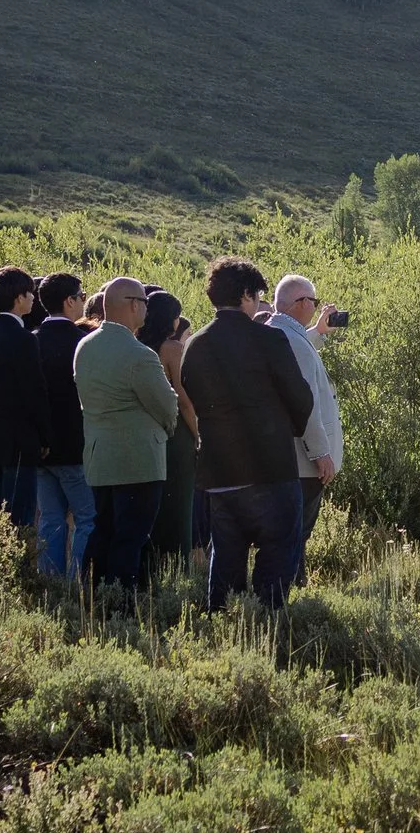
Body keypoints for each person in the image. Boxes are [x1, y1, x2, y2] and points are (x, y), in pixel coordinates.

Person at [180, 256, 315, 609]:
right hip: (271, 468)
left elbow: (193, 396)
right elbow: (300, 397)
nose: (258, 304)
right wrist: (288, 430)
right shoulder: (268, 340)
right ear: (245, 295)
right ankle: (268, 626)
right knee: (277, 554)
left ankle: (222, 623)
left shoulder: (195, 345)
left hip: (220, 473)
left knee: (225, 556)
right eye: (257, 295)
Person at [77, 276, 183, 591]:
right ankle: (121, 603)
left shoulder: (84, 345)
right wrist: (165, 428)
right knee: (131, 536)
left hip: (99, 457)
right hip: (137, 460)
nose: (147, 310)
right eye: (145, 303)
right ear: (133, 305)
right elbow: (167, 407)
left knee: (103, 530)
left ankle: (91, 596)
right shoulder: (139, 355)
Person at [268, 273, 344, 586]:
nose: (314, 305)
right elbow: (305, 404)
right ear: (301, 303)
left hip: (288, 456)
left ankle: (287, 589)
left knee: (290, 532)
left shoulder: (276, 332)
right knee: (296, 533)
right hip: (304, 460)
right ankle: (291, 592)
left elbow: (296, 348)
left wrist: (318, 332)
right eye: (312, 300)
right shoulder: (291, 341)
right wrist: (321, 452)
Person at [0, 266, 50, 537]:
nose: (33, 299)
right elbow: (34, 393)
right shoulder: (24, 340)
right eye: (30, 293)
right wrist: (44, 437)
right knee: (19, 521)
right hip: (20, 443)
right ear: (19, 298)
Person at [32, 272, 97, 579]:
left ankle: (50, 581)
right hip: (76, 446)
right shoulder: (83, 342)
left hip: (40, 449)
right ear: (70, 301)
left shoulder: (31, 341)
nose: (84, 302)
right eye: (82, 297)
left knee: (50, 519)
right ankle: (78, 585)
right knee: (87, 518)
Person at [138, 288, 202, 558]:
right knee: (179, 502)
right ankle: (176, 561)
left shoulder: (137, 344)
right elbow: (183, 399)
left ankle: (150, 560)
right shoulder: (172, 348)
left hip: (144, 431)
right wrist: (197, 433)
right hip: (175, 434)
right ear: (170, 319)